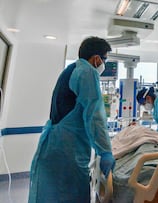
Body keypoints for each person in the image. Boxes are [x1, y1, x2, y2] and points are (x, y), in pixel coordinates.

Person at [28, 36, 115, 203]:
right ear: (97, 59)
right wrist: (105, 151)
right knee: (69, 195)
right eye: (104, 59)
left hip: (55, 144)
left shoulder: (71, 69)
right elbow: (94, 117)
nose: (104, 64)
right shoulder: (87, 73)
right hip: (66, 150)